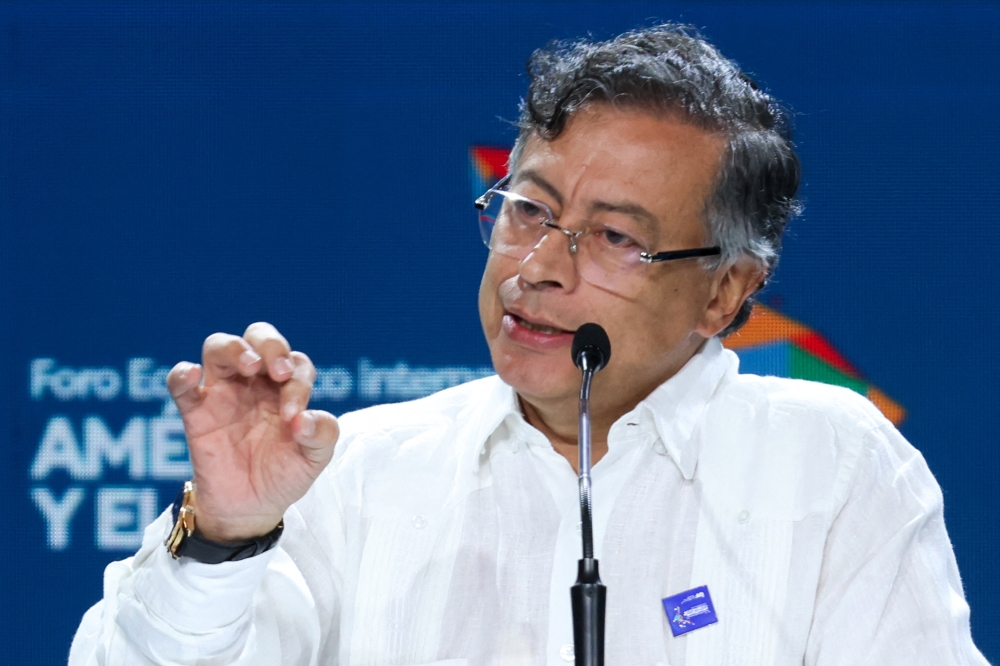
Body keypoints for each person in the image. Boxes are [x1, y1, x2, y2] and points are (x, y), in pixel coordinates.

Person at [69, 25, 988, 665]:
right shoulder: (354, 475)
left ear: (726, 292)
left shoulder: (831, 469)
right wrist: (228, 535)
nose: (540, 266)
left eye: (617, 237)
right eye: (528, 210)